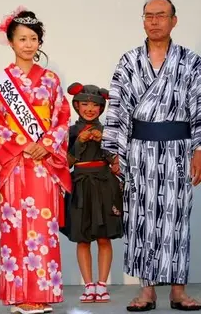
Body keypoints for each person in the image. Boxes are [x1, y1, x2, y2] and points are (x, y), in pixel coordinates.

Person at [102, 0, 201, 311]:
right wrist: (115, 152)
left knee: (177, 218)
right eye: (149, 15)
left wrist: (199, 149)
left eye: (161, 15)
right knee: (141, 218)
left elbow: (199, 106)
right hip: (138, 150)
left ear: (174, 20)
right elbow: (116, 108)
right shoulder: (129, 60)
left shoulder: (190, 61)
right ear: (142, 20)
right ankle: (146, 291)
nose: (155, 20)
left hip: (178, 150)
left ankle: (178, 291)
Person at [0, 6, 72, 314]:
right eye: (22, 38)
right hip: (15, 164)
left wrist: (45, 144)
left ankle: (43, 293)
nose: (28, 44)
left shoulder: (50, 80)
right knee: (15, 228)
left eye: (33, 38)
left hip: (44, 164)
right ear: (11, 42)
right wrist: (23, 145)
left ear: (39, 42)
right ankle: (19, 295)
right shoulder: (0, 82)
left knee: (43, 229)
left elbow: (62, 117)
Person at [61, 83, 123, 303]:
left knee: (104, 237)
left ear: (102, 107)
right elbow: (64, 163)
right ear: (76, 105)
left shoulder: (109, 131)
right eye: (84, 104)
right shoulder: (69, 131)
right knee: (83, 238)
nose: (89, 108)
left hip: (105, 185)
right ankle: (88, 285)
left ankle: (102, 284)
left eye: (95, 105)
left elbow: (117, 164)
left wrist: (104, 144)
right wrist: (78, 143)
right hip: (79, 185)